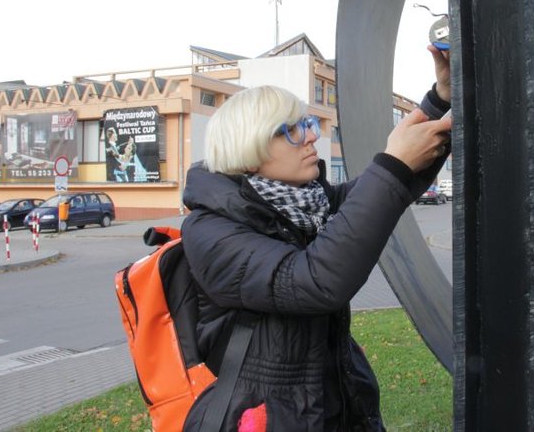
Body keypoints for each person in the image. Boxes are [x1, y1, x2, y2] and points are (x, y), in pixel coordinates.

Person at [181, 48, 451, 431]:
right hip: (268, 419)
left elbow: (388, 188)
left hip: (332, 405)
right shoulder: (211, 231)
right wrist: (393, 163)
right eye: (291, 129)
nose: (311, 136)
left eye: (307, 123)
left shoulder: (304, 206)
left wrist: (441, 99)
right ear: (249, 146)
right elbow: (314, 281)